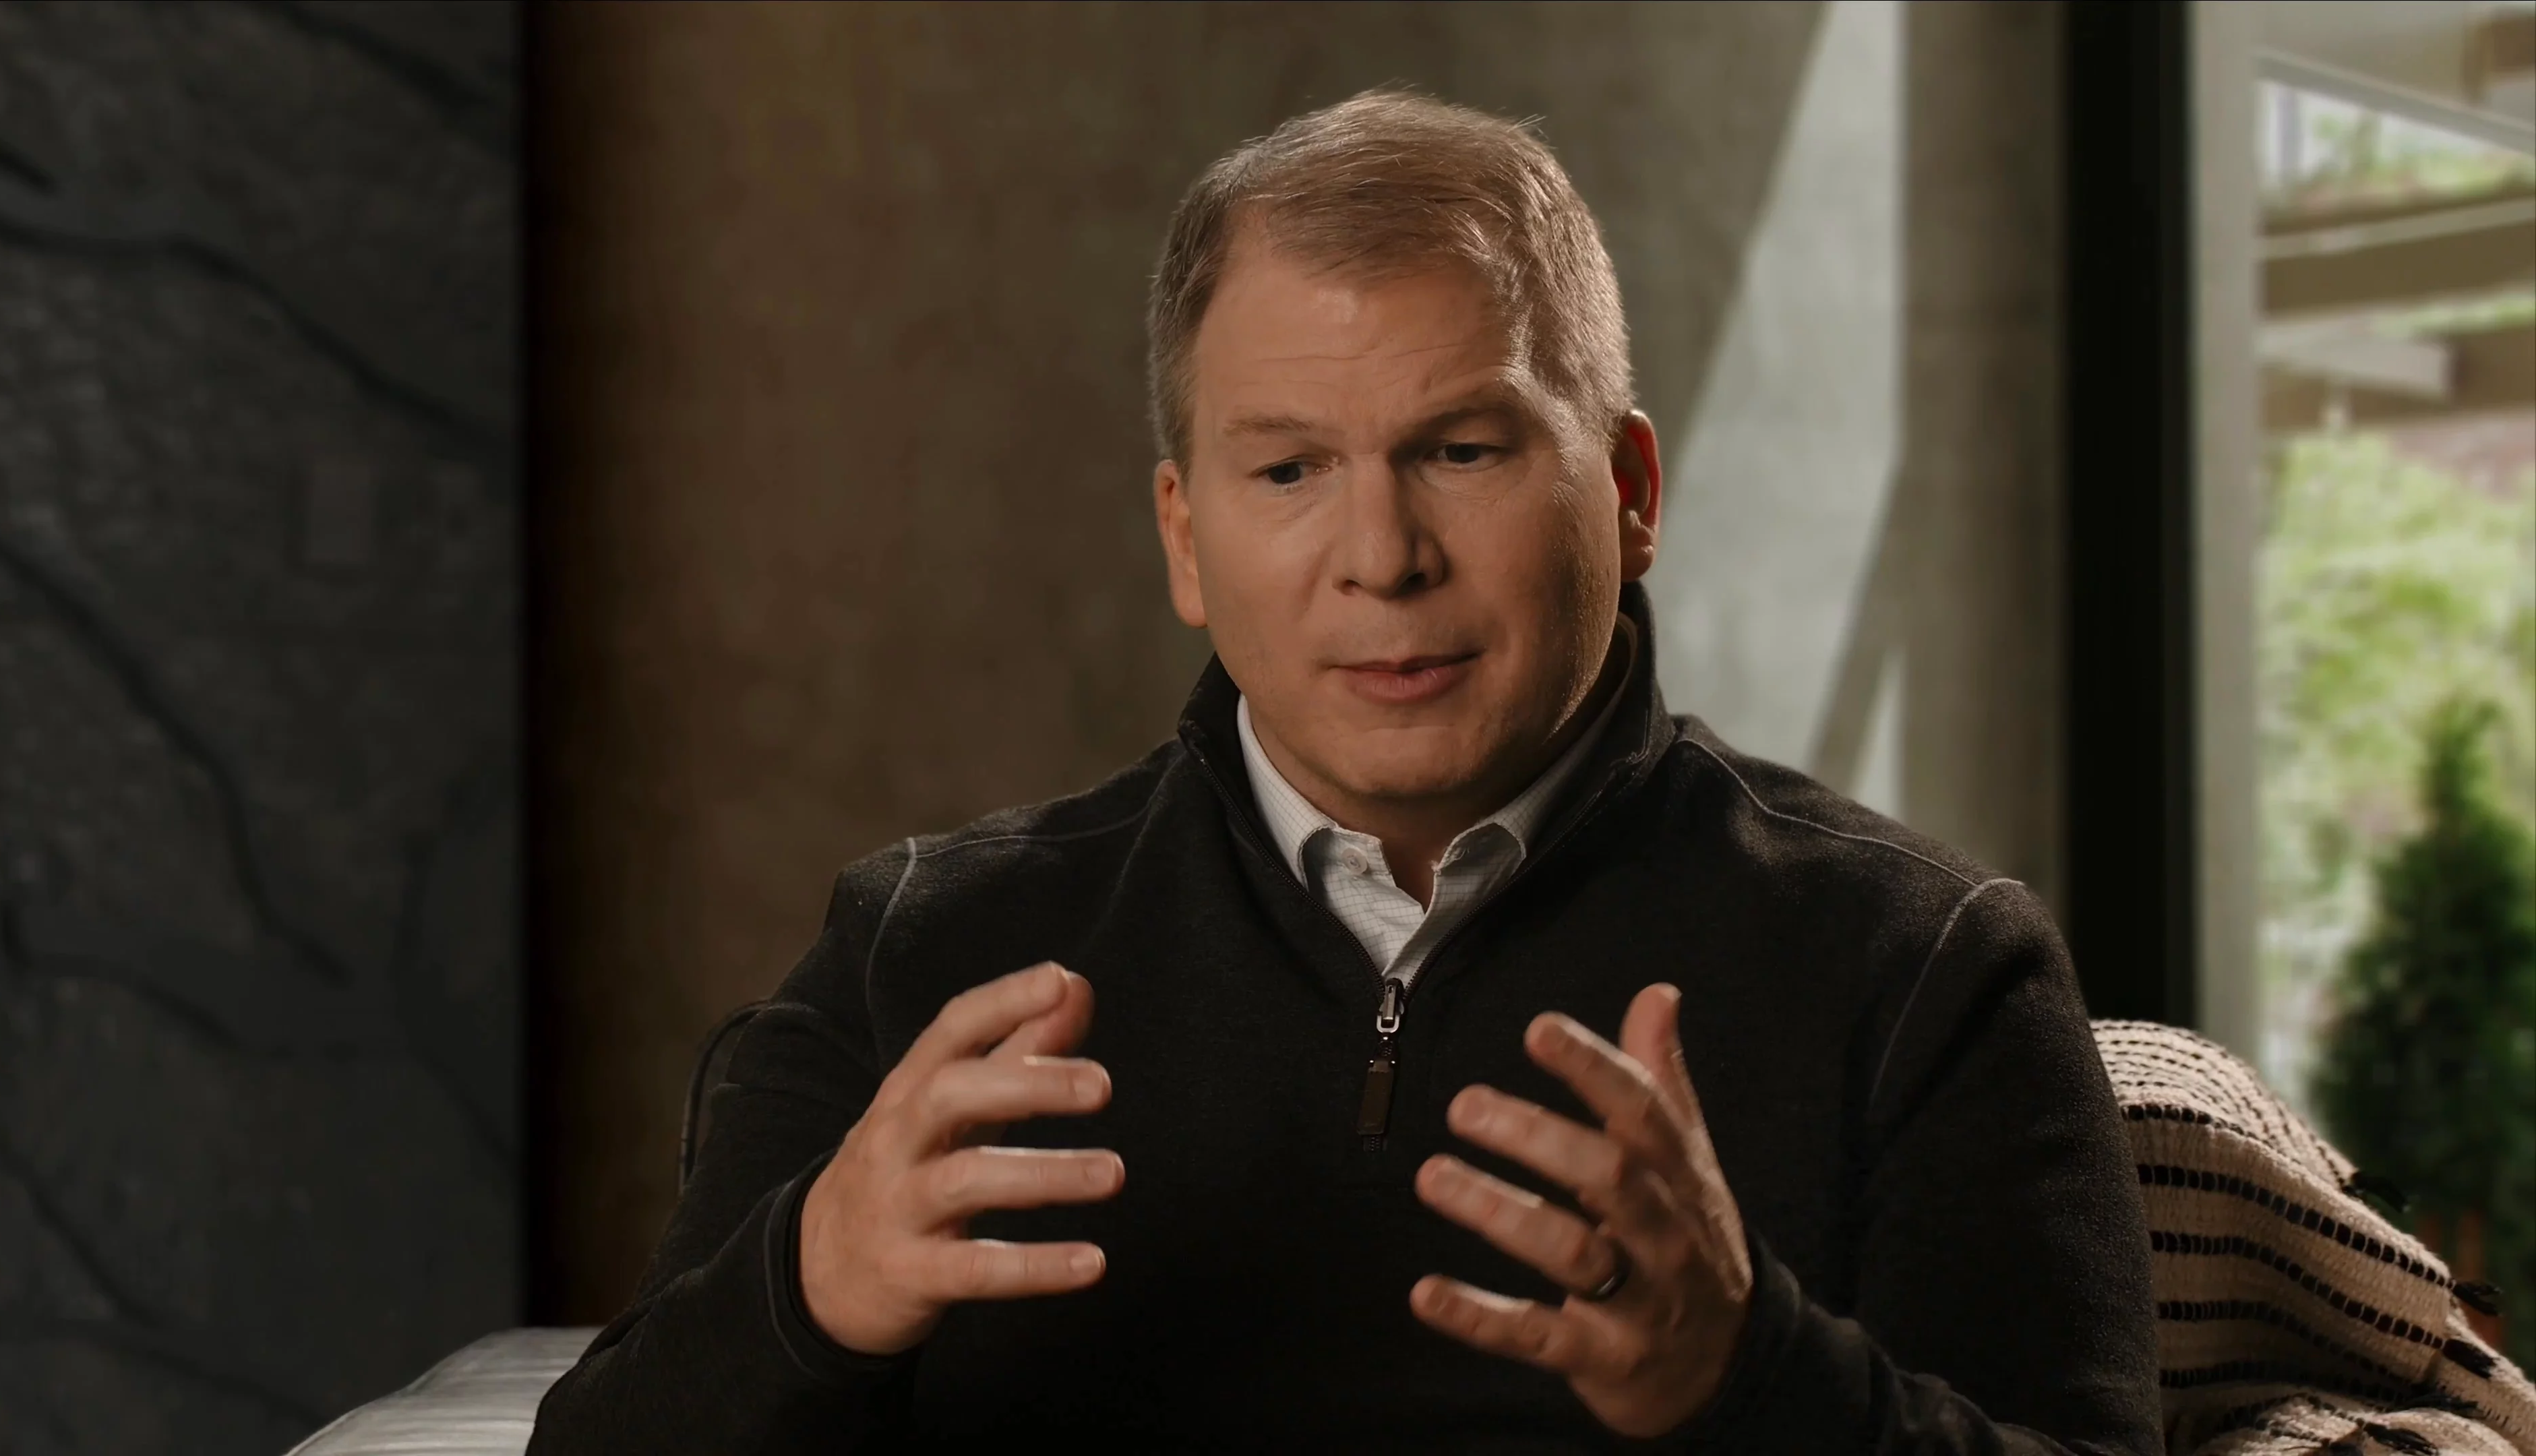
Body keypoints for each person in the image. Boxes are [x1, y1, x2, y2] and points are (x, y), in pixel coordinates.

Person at [529, 90, 2162, 1453]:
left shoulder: (1922, 967)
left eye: (1463, 449)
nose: (1381, 555)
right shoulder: (923, 952)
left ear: (1630, 493)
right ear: (1185, 536)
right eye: (1290, 470)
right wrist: (810, 1294)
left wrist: (1750, 1382)